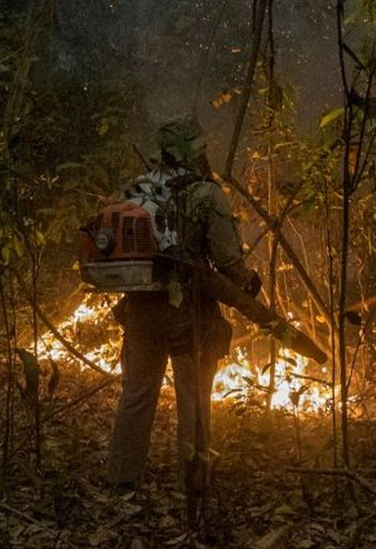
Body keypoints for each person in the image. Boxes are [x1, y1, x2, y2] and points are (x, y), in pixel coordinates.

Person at [106, 115, 259, 524]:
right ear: (196, 152)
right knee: (193, 398)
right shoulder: (207, 194)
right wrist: (248, 282)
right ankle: (193, 483)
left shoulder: (136, 189)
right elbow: (227, 260)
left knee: (137, 394)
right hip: (189, 312)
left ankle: (122, 480)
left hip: (140, 310)